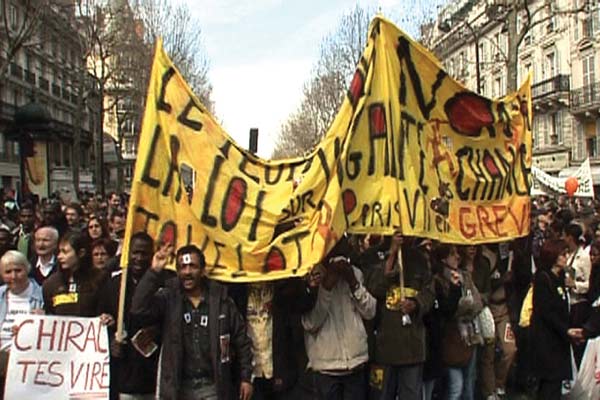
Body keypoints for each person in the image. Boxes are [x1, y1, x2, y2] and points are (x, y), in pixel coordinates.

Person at [131, 244, 253, 400]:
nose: (187, 272)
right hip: (180, 388)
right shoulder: (168, 298)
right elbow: (138, 308)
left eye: (192, 266)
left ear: (202, 271)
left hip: (213, 387)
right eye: (182, 267)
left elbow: (241, 341)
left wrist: (246, 377)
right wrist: (154, 272)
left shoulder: (222, 301)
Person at [302, 237, 376, 400]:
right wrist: (326, 288)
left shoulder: (355, 273)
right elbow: (311, 323)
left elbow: (370, 311)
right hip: (326, 367)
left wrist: (353, 282)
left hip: (356, 363)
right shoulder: (312, 276)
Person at [366, 233, 434, 400]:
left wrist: (416, 304)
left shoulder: (420, 259)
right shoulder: (373, 255)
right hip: (384, 347)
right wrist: (392, 255)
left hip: (412, 346)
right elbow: (373, 289)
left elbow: (430, 293)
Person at [98, 232, 160, 400]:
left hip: (153, 370)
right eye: (135, 252)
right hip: (123, 370)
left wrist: (156, 331)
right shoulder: (113, 284)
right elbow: (100, 318)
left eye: (144, 253)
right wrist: (111, 337)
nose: (139, 258)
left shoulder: (163, 284)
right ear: (127, 253)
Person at [432, 243, 482, 400]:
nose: (458, 256)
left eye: (457, 253)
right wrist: (461, 305)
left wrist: (467, 309)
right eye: (452, 254)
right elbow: (447, 311)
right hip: (450, 338)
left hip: (469, 336)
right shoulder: (438, 281)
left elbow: (478, 302)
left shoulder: (465, 276)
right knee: (456, 388)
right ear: (443, 258)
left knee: (468, 385)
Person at [531, 239, 577, 400]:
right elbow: (546, 312)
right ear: (553, 256)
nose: (565, 258)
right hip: (547, 341)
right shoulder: (543, 279)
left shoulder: (560, 277)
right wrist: (565, 330)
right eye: (562, 254)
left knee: (555, 386)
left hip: (560, 340)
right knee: (548, 386)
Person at [0, 250, 44, 396]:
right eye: (8, 272)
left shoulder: (43, 294)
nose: (13, 276)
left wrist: (44, 321)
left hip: (28, 363)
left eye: (18, 270)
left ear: (27, 269)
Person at [42, 231, 106, 317]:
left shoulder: (99, 279)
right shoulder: (50, 284)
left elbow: (107, 311)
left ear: (81, 253)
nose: (59, 257)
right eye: (59, 252)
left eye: (65, 252)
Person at [564, 223, 592, 365]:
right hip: (569, 302)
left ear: (570, 237)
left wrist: (575, 285)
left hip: (580, 304)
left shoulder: (585, 257)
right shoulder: (568, 255)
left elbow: (589, 283)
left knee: (578, 343)